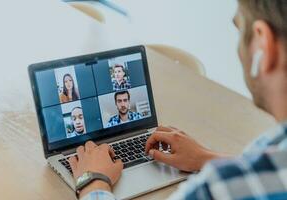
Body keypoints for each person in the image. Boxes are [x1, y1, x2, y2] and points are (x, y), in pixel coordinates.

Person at [69, 0, 287, 199]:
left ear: (263, 45)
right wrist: (207, 157)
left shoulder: (214, 189)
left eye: (239, 29)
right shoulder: (273, 149)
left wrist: (93, 181)